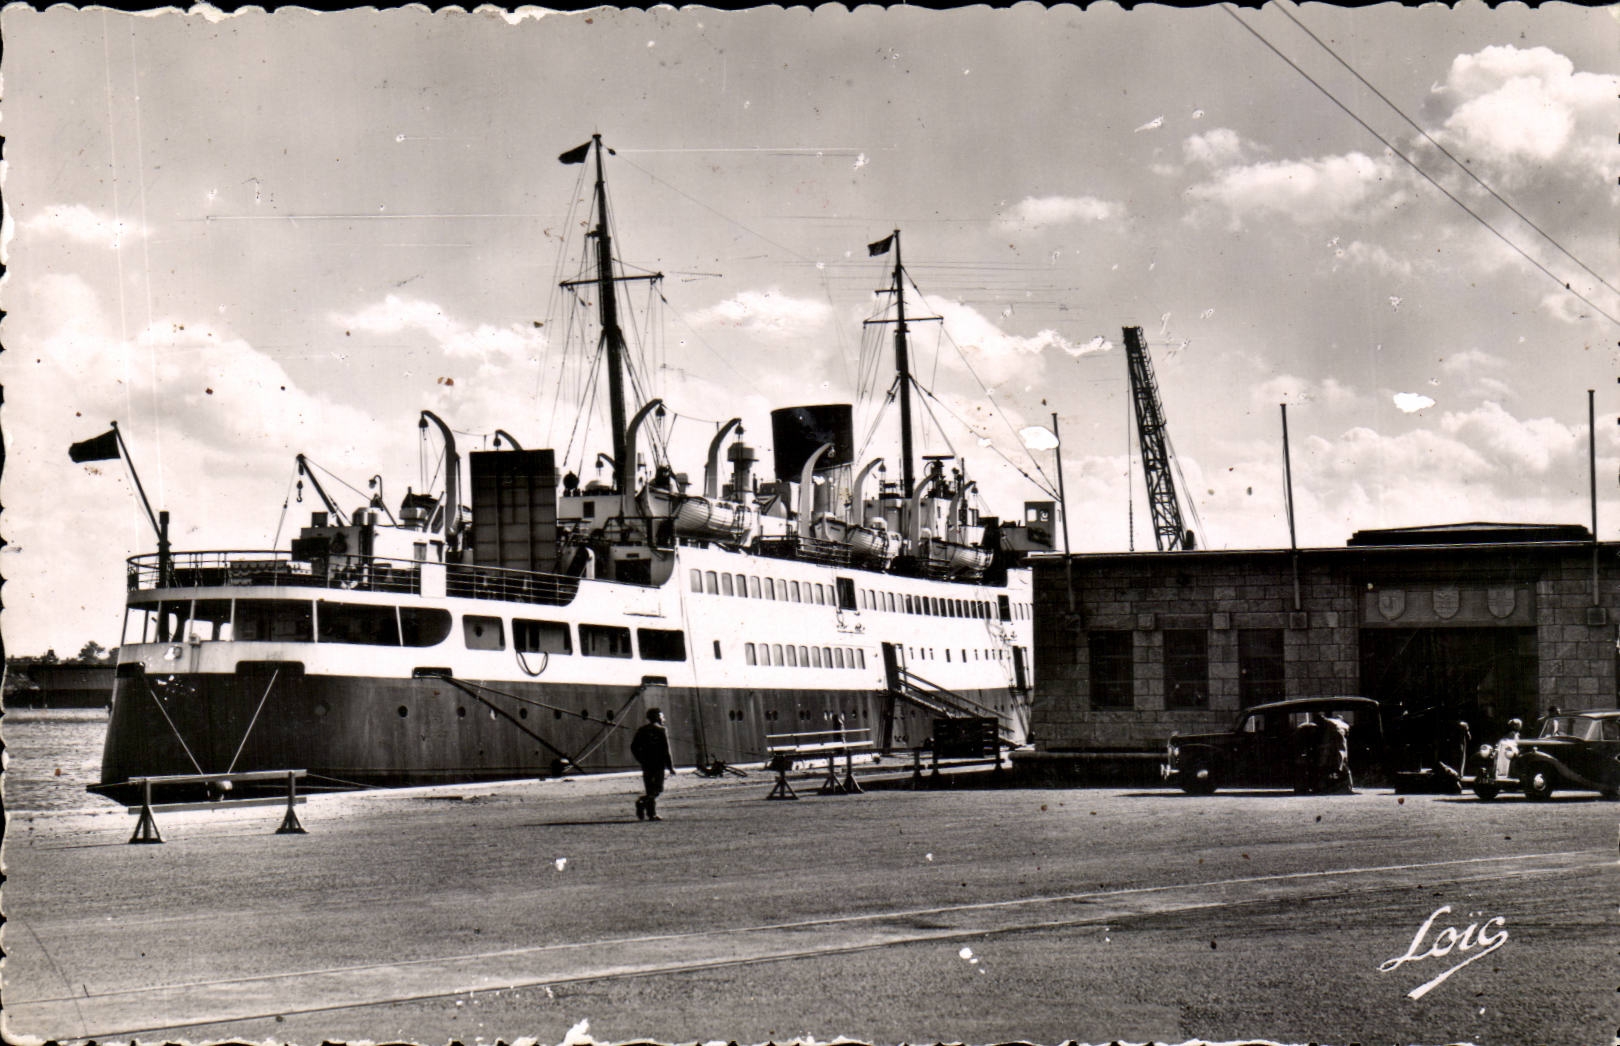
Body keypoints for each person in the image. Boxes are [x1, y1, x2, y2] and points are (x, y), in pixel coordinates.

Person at [630, 708, 675, 821]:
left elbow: (634, 747)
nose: (663, 719)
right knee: (658, 789)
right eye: (662, 716)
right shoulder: (661, 730)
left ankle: (651, 814)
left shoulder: (642, 730)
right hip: (658, 764)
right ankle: (642, 803)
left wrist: (641, 759)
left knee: (650, 788)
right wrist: (670, 767)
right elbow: (666, 750)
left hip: (646, 764)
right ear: (657, 717)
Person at [1316, 710, 1352, 794]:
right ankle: (1348, 786)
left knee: (1326, 762)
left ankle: (1323, 785)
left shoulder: (1329, 722)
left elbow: (1327, 737)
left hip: (1334, 740)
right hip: (1341, 742)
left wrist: (1323, 747)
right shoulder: (1344, 724)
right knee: (1343, 760)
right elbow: (1347, 736)